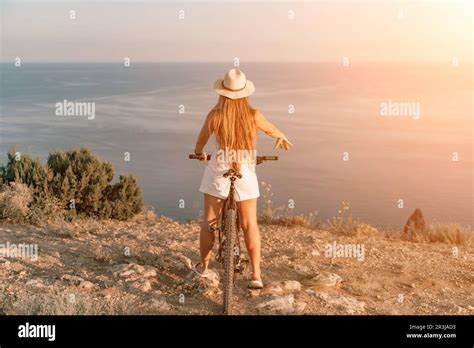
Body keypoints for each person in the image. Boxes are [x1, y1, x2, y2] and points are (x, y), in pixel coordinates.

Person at [193, 68, 292, 289]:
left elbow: (200, 143)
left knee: (209, 222)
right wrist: (281, 137)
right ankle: (256, 276)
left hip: (219, 167)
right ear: (245, 93)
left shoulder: (215, 115)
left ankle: (204, 267)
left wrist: (200, 153)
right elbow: (272, 130)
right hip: (245, 169)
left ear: (222, 92)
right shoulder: (253, 115)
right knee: (250, 225)